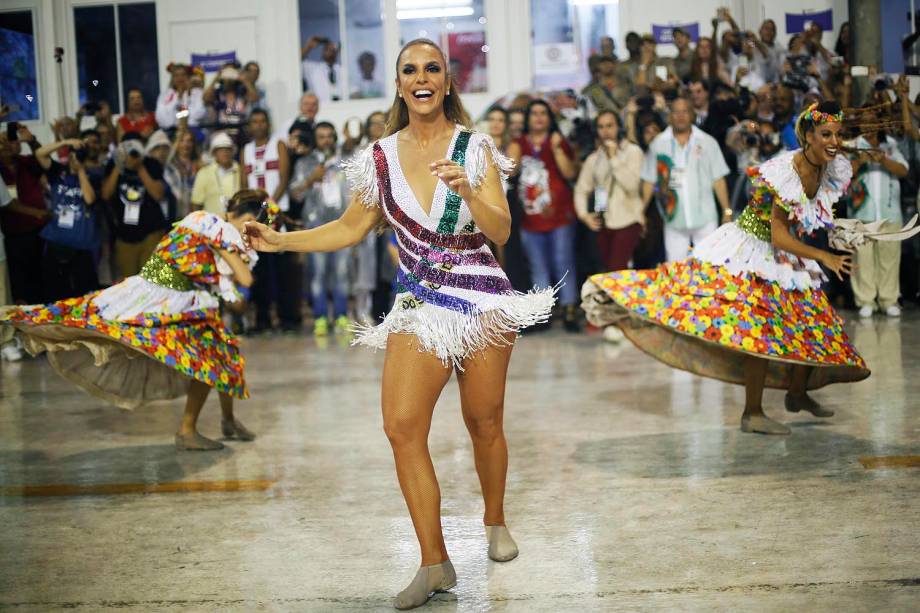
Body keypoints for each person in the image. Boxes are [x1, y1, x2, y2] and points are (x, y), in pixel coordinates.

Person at [243, 38, 554, 610]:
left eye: (431, 68)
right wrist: (281, 239)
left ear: (447, 80)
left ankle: (495, 520)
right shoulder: (378, 158)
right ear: (399, 83)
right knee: (401, 426)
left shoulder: (475, 148)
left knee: (483, 422)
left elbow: (503, 230)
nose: (421, 77)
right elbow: (348, 228)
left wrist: (467, 190)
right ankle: (435, 563)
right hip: (420, 306)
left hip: (483, 303)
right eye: (410, 69)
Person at [582, 101, 869, 436]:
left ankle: (797, 392)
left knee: (807, 317)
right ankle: (753, 412)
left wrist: (845, 232)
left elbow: (805, 218)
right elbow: (777, 235)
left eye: (838, 134)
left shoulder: (827, 166)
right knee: (759, 330)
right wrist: (824, 257)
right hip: (753, 250)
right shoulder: (786, 171)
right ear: (807, 136)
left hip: (784, 251)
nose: (834, 141)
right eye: (825, 134)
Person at [1, 191, 270, 450]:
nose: (248, 232)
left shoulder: (209, 229)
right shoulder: (213, 226)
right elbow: (244, 279)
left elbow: (226, 287)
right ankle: (189, 430)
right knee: (87, 319)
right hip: (156, 298)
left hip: (175, 300)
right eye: (250, 225)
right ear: (238, 216)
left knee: (221, 351)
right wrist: (242, 257)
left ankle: (226, 421)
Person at [507, 99, 580, 332]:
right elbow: (510, 172)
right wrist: (515, 151)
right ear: (527, 119)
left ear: (550, 118)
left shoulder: (558, 141)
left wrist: (558, 148)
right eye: (534, 113)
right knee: (538, 266)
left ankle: (569, 309)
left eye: (543, 113)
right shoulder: (518, 143)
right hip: (530, 218)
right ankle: (543, 313)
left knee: (563, 262)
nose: (538, 117)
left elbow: (569, 172)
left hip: (560, 215)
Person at [640, 97, 732, 262]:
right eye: (676, 112)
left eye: (685, 111)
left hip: (705, 219)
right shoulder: (658, 144)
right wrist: (640, 211)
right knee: (676, 270)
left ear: (692, 114)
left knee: (708, 268)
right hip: (673, 218)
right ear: (669, 116)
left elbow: (718, 179)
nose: (680, 116)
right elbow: (649, 181)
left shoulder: (708, 142)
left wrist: (726, 211)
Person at [290, 121, 351, 335]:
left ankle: (342, 316)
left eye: (329, 136)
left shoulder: (346, 162)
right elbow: (295, 193)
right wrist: (310, 180)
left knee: (341, 272)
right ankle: (321, 318)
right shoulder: (305, 163)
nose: (326, 140)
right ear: (315, 140)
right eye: (321, 136)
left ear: (335, 138)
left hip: (343, 223)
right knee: (318, 272)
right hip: (316, 223)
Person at [241, 109, 298, 333]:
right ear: (249, 126)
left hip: (277, 212)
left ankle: (288, 319)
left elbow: (284, 177)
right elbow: (243, 184)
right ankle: (262, 319)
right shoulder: (245, 150)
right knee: (260, 270)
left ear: (268, 123)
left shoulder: (278, 144)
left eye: (262, 120)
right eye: (254, 121)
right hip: (255, 216)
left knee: (284, 269)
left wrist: (270, 206)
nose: (258, 124)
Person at [848, 117, 909, 318]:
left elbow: (903, 170)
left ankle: (888, 300)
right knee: (862, 258)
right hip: (861, 213)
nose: (869, 126)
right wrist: (861, 160)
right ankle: (865, 300)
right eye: (865, 123)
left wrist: (883, 160)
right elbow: (842, 174)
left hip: (889, 213)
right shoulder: (853, 145)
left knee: (889, 258)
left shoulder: (890, 145)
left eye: (873, 122)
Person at [575, 110, 644, 272]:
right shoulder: (594, 158)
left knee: (617, 271)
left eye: (610, 126)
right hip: (604, 220)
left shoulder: (633, 152)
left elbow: (632, 187)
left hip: (628, 219)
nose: (605, 131)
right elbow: (581, 189)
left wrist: (614, 158)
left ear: (618, 127)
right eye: (601, 127)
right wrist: (584, 215)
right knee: (606, 272)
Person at [35, 137, 100, 301]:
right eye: (72, 156)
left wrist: (80, 171)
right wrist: (65, 143)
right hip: (56, 239)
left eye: (78, 156)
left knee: (84, 290)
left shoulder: (92, 175)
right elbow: (40, 153)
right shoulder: (57, 171)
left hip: (81, 242)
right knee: (54, 289)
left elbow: (90, 199)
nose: (74, 159)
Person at [101, 133, 169, 278]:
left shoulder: (151, 164)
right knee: (128, 282)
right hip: (124, 235)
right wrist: (119, 165)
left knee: (152, 279)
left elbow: (158, 194)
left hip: (151, 232)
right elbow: (106, 194)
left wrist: (140, 168)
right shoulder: (113, 164)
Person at [0, 124, 48, 304]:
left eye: (13, 141)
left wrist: (31, 140)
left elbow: (45, 163)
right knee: (19, 285)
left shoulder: (26, 162)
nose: (11, 144)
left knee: (42, 278)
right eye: (5, 141)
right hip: (13, 235)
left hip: (38, 230)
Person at [204, 62, 259, 147]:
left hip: (241, 134)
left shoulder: (242, 92)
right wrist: (216, 78)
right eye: (227, 72)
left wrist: (243, 79)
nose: (229, 76)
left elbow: (254, 98)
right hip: (221, 135)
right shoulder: (217, 93)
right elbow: (206, 98)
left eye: (232, 72)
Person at [191, 132, 240, 215]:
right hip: (211, 224)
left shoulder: (240, 171)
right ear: (214, 153)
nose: (225, 153)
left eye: (227, 149)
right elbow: (196, 203)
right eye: (221, 150)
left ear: (232, 152)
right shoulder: (204, 173)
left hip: (236, 221)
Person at [155, 63, 207, 132]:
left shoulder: (197, 92)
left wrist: (177, 117)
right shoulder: (164, 95)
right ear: (172, 78)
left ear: (188, 77)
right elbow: (160, 117)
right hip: (171, 131)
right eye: (176, 75)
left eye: (183, 75)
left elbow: (199, 114)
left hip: (192, 130)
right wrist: (178, 98)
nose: (180, 78)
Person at [164, 129, 202, 219]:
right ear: (176, 144)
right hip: (173, 213)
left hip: (195, 215)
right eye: (182, 141)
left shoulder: (200, 165)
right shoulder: (169, 165)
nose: (186, 145)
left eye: (189, 141)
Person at [301, 36, 343, 102]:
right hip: (319, 109)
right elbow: (296, 61)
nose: (330, 51)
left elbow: (353, 91)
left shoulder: (342, 70)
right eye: (327, 49)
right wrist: (309, 46)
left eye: (333, 49)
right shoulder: (312, 68)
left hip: (341, 108)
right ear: (323, 52)